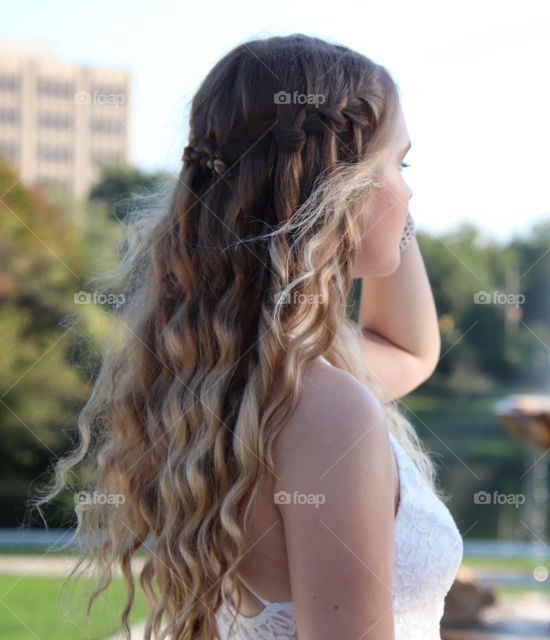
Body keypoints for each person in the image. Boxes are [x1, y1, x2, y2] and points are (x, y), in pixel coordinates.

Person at [31, 33, 463, 640]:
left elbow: (408, 350)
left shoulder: (238, 372)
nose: (411, 193)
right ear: (340, 185)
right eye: (402, 164)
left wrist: (385, 204)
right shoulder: (325, 409)